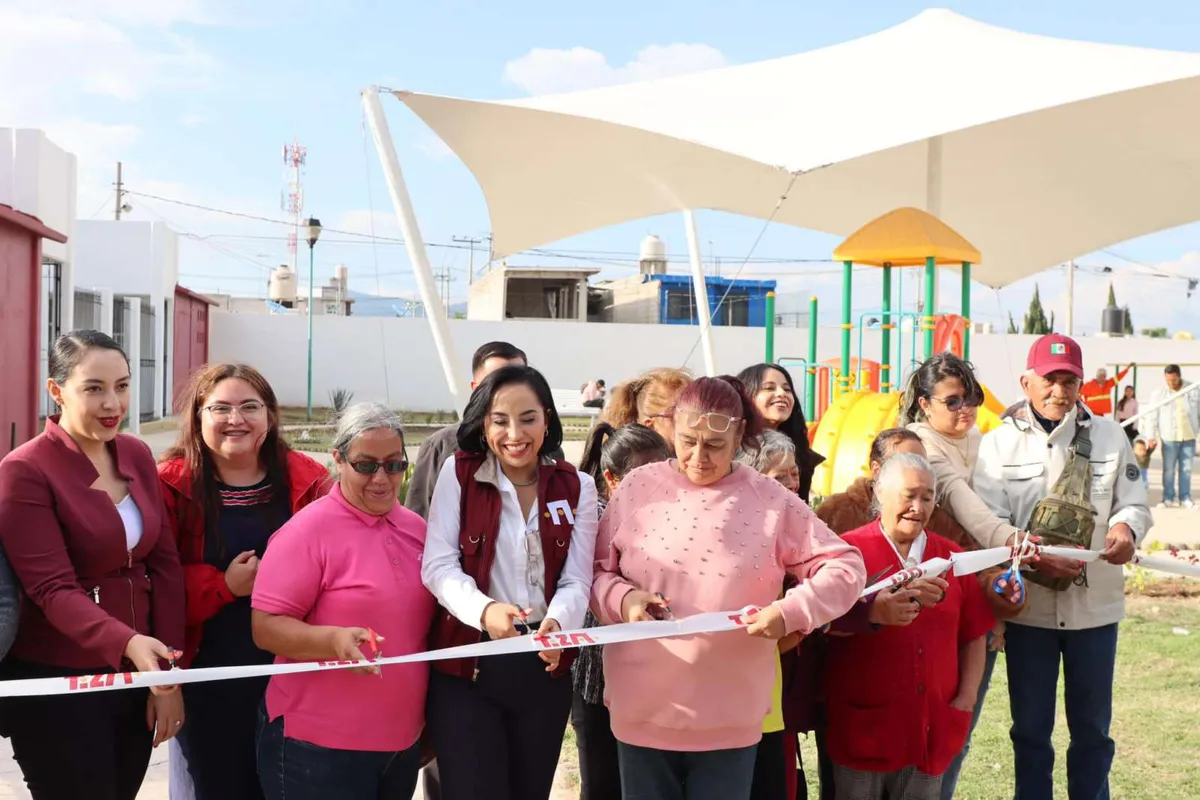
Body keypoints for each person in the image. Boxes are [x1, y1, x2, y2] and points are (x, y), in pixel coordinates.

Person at [592, 376, 866, 800]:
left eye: (714, 446)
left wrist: (791, 612)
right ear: (671, 427)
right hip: (642, 710)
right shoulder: (638, 487)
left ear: (740, 435)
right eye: (687, 441)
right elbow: (595, 572)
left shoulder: (769, 499)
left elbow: (845, 566)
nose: (697, 457)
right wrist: (624, 600)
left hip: (729, 717)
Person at [0, 330, 185, 800]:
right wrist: (129, 642)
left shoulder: (138, 454)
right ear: (57, 390)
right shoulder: (25, 470)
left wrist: (169, 677)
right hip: (58, 680)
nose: (112, 403)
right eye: (94, 388)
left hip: (139, 673)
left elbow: (163, 567)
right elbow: (51, 589)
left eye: (122, 386)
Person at [974, 333, 1152, 800]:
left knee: (1092, 730)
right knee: (1030, 730)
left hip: (1094, 611)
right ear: (1026, 382)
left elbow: (1134, 503)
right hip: (1028, 609)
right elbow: (989, 524)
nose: (1059, 391)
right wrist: (1031, 554)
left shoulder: (1111, 436)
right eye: (1050, 380)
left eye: (1069, 380)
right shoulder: (997, 447)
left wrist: (1125, 530)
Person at [422, 365, 599, 800]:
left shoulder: (579, 487)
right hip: (469, 668)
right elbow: (438, 564)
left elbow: (578, 579)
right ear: (484, 423)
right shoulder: (459, 473)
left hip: (544, 666)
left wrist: (558, 624)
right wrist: (484, 611)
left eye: (528, 418)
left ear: (548, 420)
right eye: (500, 420)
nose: (514, 433)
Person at [158, 363, 330, 800]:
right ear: (198, 417)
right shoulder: (170, 485)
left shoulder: (308, 482)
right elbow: (154, 582)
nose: (236, 419)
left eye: (249, 406)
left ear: (270, 416)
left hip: (291, 679)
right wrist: (224, 587)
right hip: (205, 678)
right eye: (220, 408)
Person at [251, 403, 431, 799]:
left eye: (394, 465)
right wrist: (332, 641)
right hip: (316, 750)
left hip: (400, 744)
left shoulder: (417, 528)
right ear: (338, 460)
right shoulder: (306, 532)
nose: (382, 479)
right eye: (366, 465)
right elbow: (265, 628)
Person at [825, 454, 993, 800]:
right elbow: (819, 624)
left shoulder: (949, 557)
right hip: (864, 727)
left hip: (930, 729)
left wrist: (966, 698)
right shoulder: (848, 552)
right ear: (880, 494)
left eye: (928, 497)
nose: (918, 507)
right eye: (909, 495)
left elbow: (974, 634)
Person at [897, 353, 1028, 799]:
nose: (965, 408)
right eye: (952, 401)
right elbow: (962, 501)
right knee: (921, 724)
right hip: (931, 603)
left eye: (970, 396)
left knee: (960, 724)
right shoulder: (917, 442)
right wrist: (1016, 541)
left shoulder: (985, 441)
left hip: (979, 602)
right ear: (924, 403)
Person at [573, 422, 671, 800]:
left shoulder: (674, 516)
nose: (662, 483)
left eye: (666, 469)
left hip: (652, 677)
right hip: (595, 674)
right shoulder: (594, 517)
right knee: (600, 782)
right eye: (646, 475)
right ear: (613, 479)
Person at [736, 430, 806, 800]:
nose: (792, 485)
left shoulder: (798, 530)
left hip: (773, 705)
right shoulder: (739, 536)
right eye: (780, 478)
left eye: (794, 474)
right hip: (738, 704)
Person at [406, 341, 550, 520]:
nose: (509, 390)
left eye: (518, 378)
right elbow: (419, 519)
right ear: (475, 389)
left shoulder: (549, 454)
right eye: (496, 382)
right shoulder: (443, 447)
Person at [737, 363, 825, 502]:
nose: (781, 393)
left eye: (787, 389)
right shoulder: (729, 451)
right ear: (746, 396)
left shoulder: (803, 456)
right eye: (769, 388)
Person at [1143, 364, 1200, 509]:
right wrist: (1151, 436)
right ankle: (1168, 498)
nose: (1171, 383)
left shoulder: (1193, 389)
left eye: (1174, 380)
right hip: (1169, 437)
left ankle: (1185, 498)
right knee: (1168, 469)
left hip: (1189, 436)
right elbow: (1152, 416)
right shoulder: (1159, 393)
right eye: (1168, 380)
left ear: (1179, 377)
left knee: (1186, 469)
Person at [602, 367, 693, 452]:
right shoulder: (635, 466)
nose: (692, 421)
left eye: (694, 411)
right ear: (651, 425)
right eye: (679, 413)